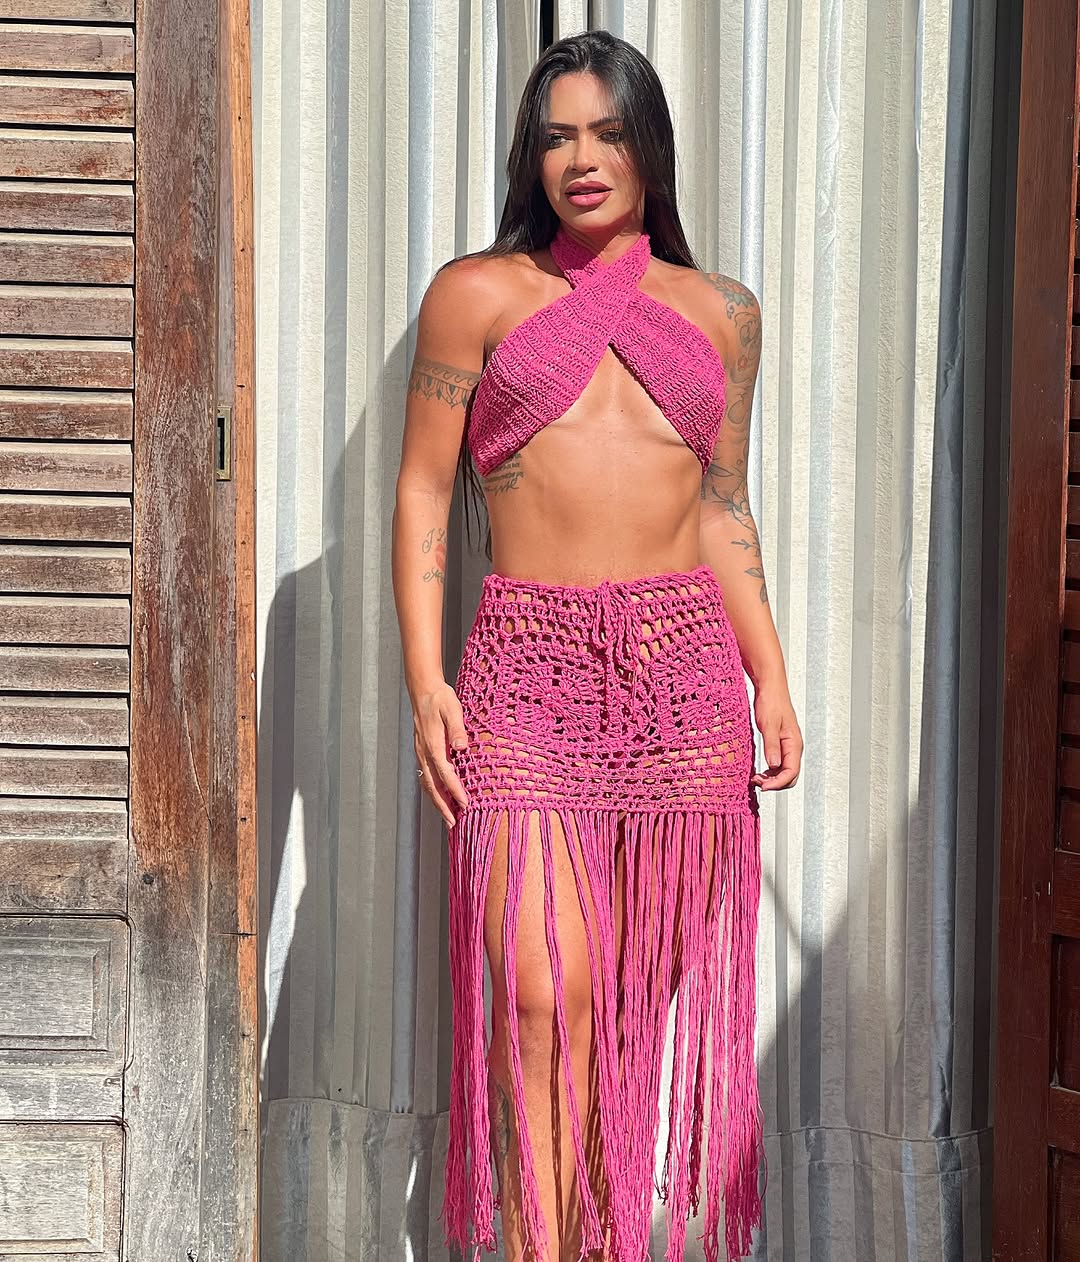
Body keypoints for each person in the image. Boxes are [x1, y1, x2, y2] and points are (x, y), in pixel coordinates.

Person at [392, 28, 802, 1262]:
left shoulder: (725, 312)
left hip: (684, 675)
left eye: (609, 133)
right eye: (559, 135)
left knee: (623, 1019)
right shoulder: (475, 295)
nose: (583, 158)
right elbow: (424, 491)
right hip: (528, 668)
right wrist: (425, 678)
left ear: (648, 148)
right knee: (542, 996)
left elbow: (721, 503)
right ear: (532, 155)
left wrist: (771, 674)